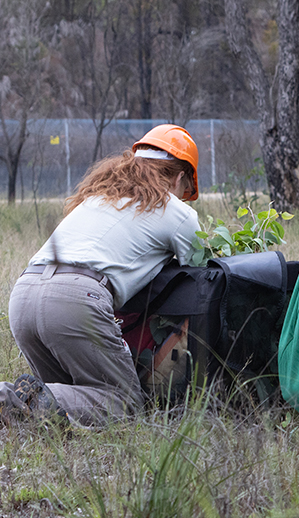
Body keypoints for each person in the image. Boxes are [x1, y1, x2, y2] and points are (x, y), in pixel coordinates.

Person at [0, 124, 201, 427]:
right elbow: (204, 277)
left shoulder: (99, 197)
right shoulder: (175, 209)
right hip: (76, 299)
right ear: (179, 177)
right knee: (124, 402)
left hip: (25, 294)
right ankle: (21, 398)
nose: (182, 198)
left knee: (61, 403)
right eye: (184, 190)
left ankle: (13, 397)